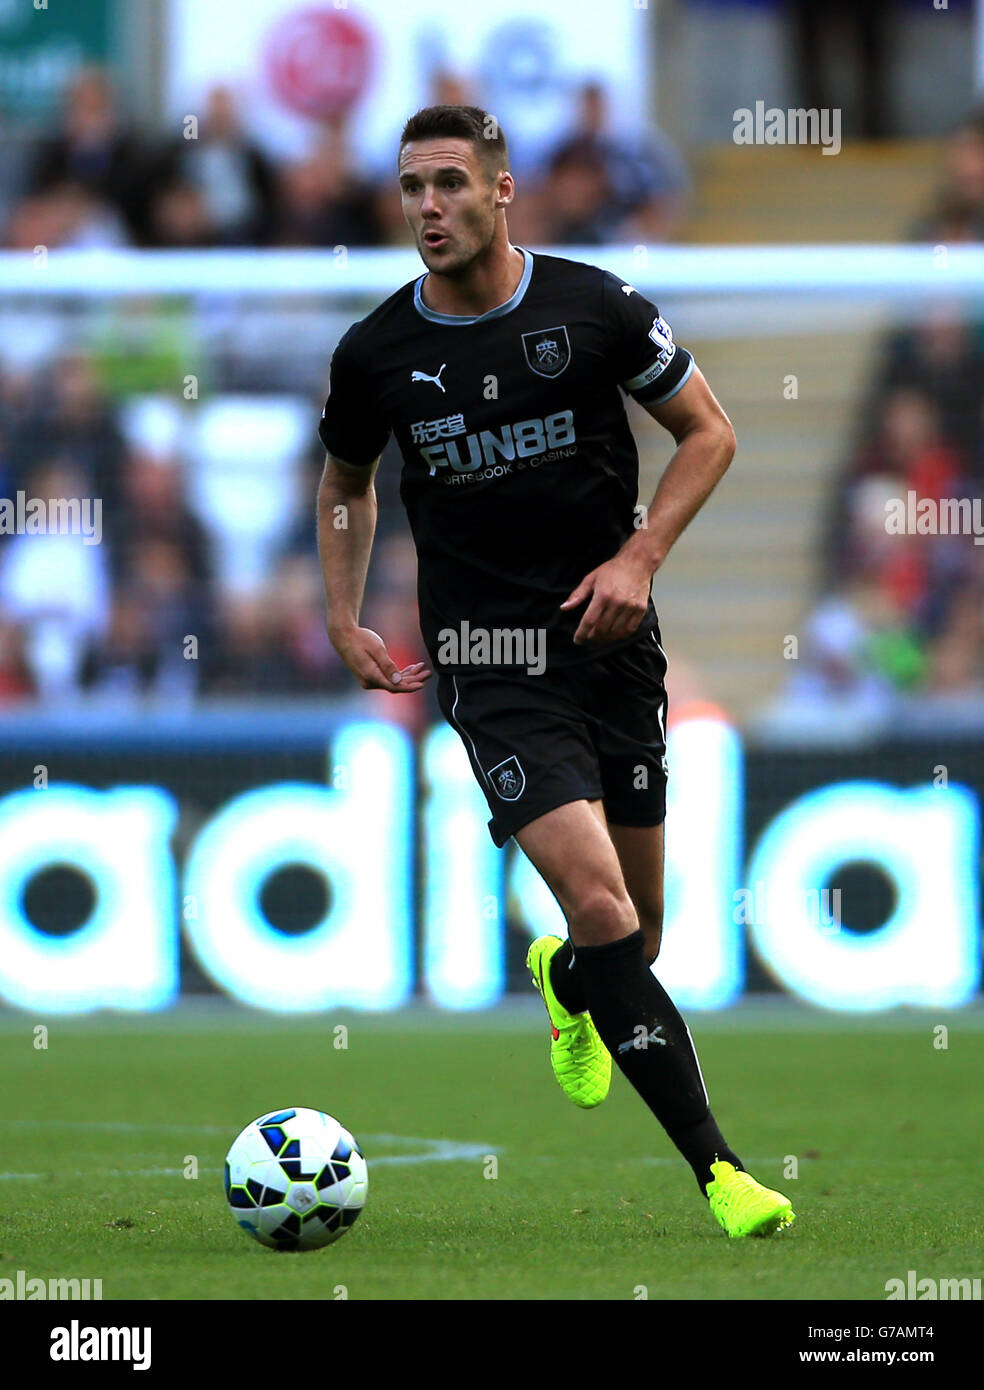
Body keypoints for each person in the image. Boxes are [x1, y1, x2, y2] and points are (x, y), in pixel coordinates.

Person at [316, 105, 794, 1239]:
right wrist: (341, 616)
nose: (427, 208)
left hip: (613, 646)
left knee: (638, 938)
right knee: (597, 899)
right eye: (410, 189)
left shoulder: (597, 307)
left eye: (447, 184)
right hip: (491, 662)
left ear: (501, 189)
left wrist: (641, 555)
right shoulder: (376, 351)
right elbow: (346, 482)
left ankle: (569, 981)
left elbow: (712, 431)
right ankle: (723, 1173)